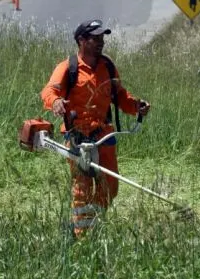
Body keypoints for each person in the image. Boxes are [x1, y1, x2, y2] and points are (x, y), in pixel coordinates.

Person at [40, 19, 150, 238]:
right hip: (77, 136)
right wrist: (56, 103)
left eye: (102, 38)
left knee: (110, 184)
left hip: (104, 134)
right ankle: (82, 236)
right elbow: (49, 92)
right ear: (82, 40)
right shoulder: (67, 67)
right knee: (82, 187)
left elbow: (120, 96)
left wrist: (136, 107)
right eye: (95, 38)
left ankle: (95, 224)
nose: (101, 42)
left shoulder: (108, 66)